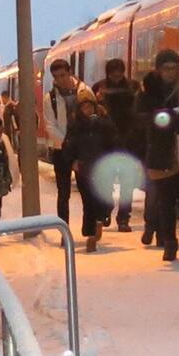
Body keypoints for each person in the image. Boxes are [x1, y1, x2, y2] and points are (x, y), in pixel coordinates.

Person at [138, 49, 179, 265]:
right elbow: (140, 119)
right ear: (158, 70)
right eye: (166, 68)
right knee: (166, 202)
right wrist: (165, 116)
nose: (171, 72)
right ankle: (170, 242)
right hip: (160, 153)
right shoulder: (148, 91)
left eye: (174, 68)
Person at [36, 59, 89, 227]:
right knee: (63, 193)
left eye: (63, 75)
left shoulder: (84, 91)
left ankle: (89, 228)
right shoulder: (49, 98)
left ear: (70, 72)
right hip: (62, 149)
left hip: (83, 149)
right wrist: (66, 142)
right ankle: (64, 230)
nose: (61, 79)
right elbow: (50, 125)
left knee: (86, 190)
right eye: (57, 76)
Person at [92, 57, 141, 232]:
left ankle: (123, 218)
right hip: (109, 142)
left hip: (126, 141)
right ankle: (107, 209)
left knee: (125, 181)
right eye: (113, 73)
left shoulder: (131, 87)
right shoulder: (101, 88)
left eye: (119, 72)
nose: (116, 76)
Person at [66, 91, 120, 252]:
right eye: (84, 106)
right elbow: (69, 145)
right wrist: (72, 161)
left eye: (89, 106)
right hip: (84, 168)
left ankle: (100, 219)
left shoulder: (104, 122)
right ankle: (90, 236)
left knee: (105, 199)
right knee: (88, 202)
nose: (87, 109)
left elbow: (113, 142)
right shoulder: (75, 124)